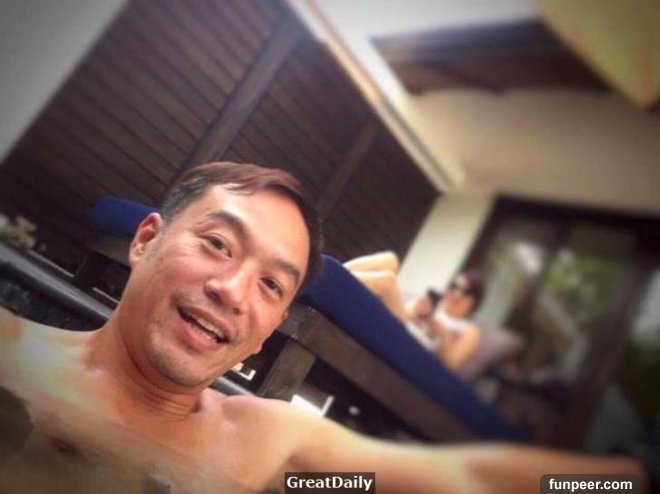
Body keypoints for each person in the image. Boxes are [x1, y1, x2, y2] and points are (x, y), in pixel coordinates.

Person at [0, 162, 646, 493]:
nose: (233, 292)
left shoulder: (271, 445)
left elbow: (472, 482)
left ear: (270, 330)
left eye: (271, 285)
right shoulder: (11, 350)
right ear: (146, 239)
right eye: (218, 244)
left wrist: (625, 482)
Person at [345, 252, 483, 371]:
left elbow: (451, 364)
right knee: (391, 259)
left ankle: (336, 277)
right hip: (404, 327)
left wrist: (442, 333)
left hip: (413, 348)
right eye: (454, 286)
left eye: (464, 290)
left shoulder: (470, 330)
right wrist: (415, 308)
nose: (455, 293)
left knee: (388, 281)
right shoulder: (436, 308)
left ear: (473, 301)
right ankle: (336, 272)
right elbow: (406, 316)